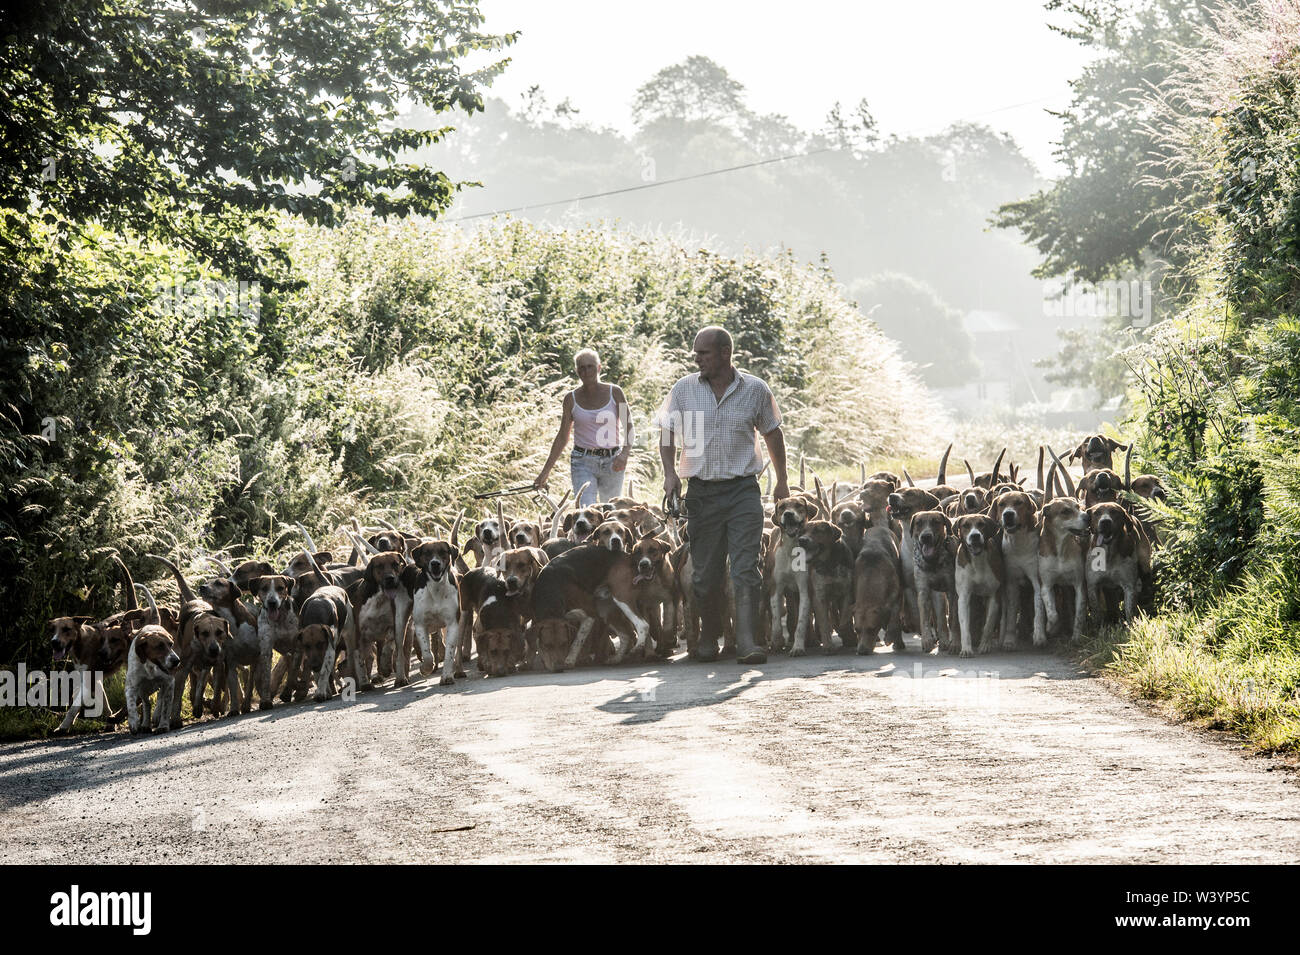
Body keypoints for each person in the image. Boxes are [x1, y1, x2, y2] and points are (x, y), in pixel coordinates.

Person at [658, 326, 789, 664]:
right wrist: (670, 473)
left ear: (725, 353)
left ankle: (747, 641)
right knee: (705, 572)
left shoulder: (755, 390)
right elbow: (667, 432)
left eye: (703, 353)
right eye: (696, 353)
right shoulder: (684, 390)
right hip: (701, 493)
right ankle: (708, 637)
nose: (696, 358)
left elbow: (774, 434)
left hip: (743, 490)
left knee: (745, 567)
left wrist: (782, 481)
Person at [534, 348, 634, 506]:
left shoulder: (615, 393)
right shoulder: (570, 399)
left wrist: (624, 454)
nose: (586, 371)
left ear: (599, 368)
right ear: (577, 371)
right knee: (586, 511)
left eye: (590, 366)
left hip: (613, 461)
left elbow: (629, 426)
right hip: (583, 462)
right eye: (581, 367)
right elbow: (562, 437)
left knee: (610, 512)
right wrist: (544, 472)